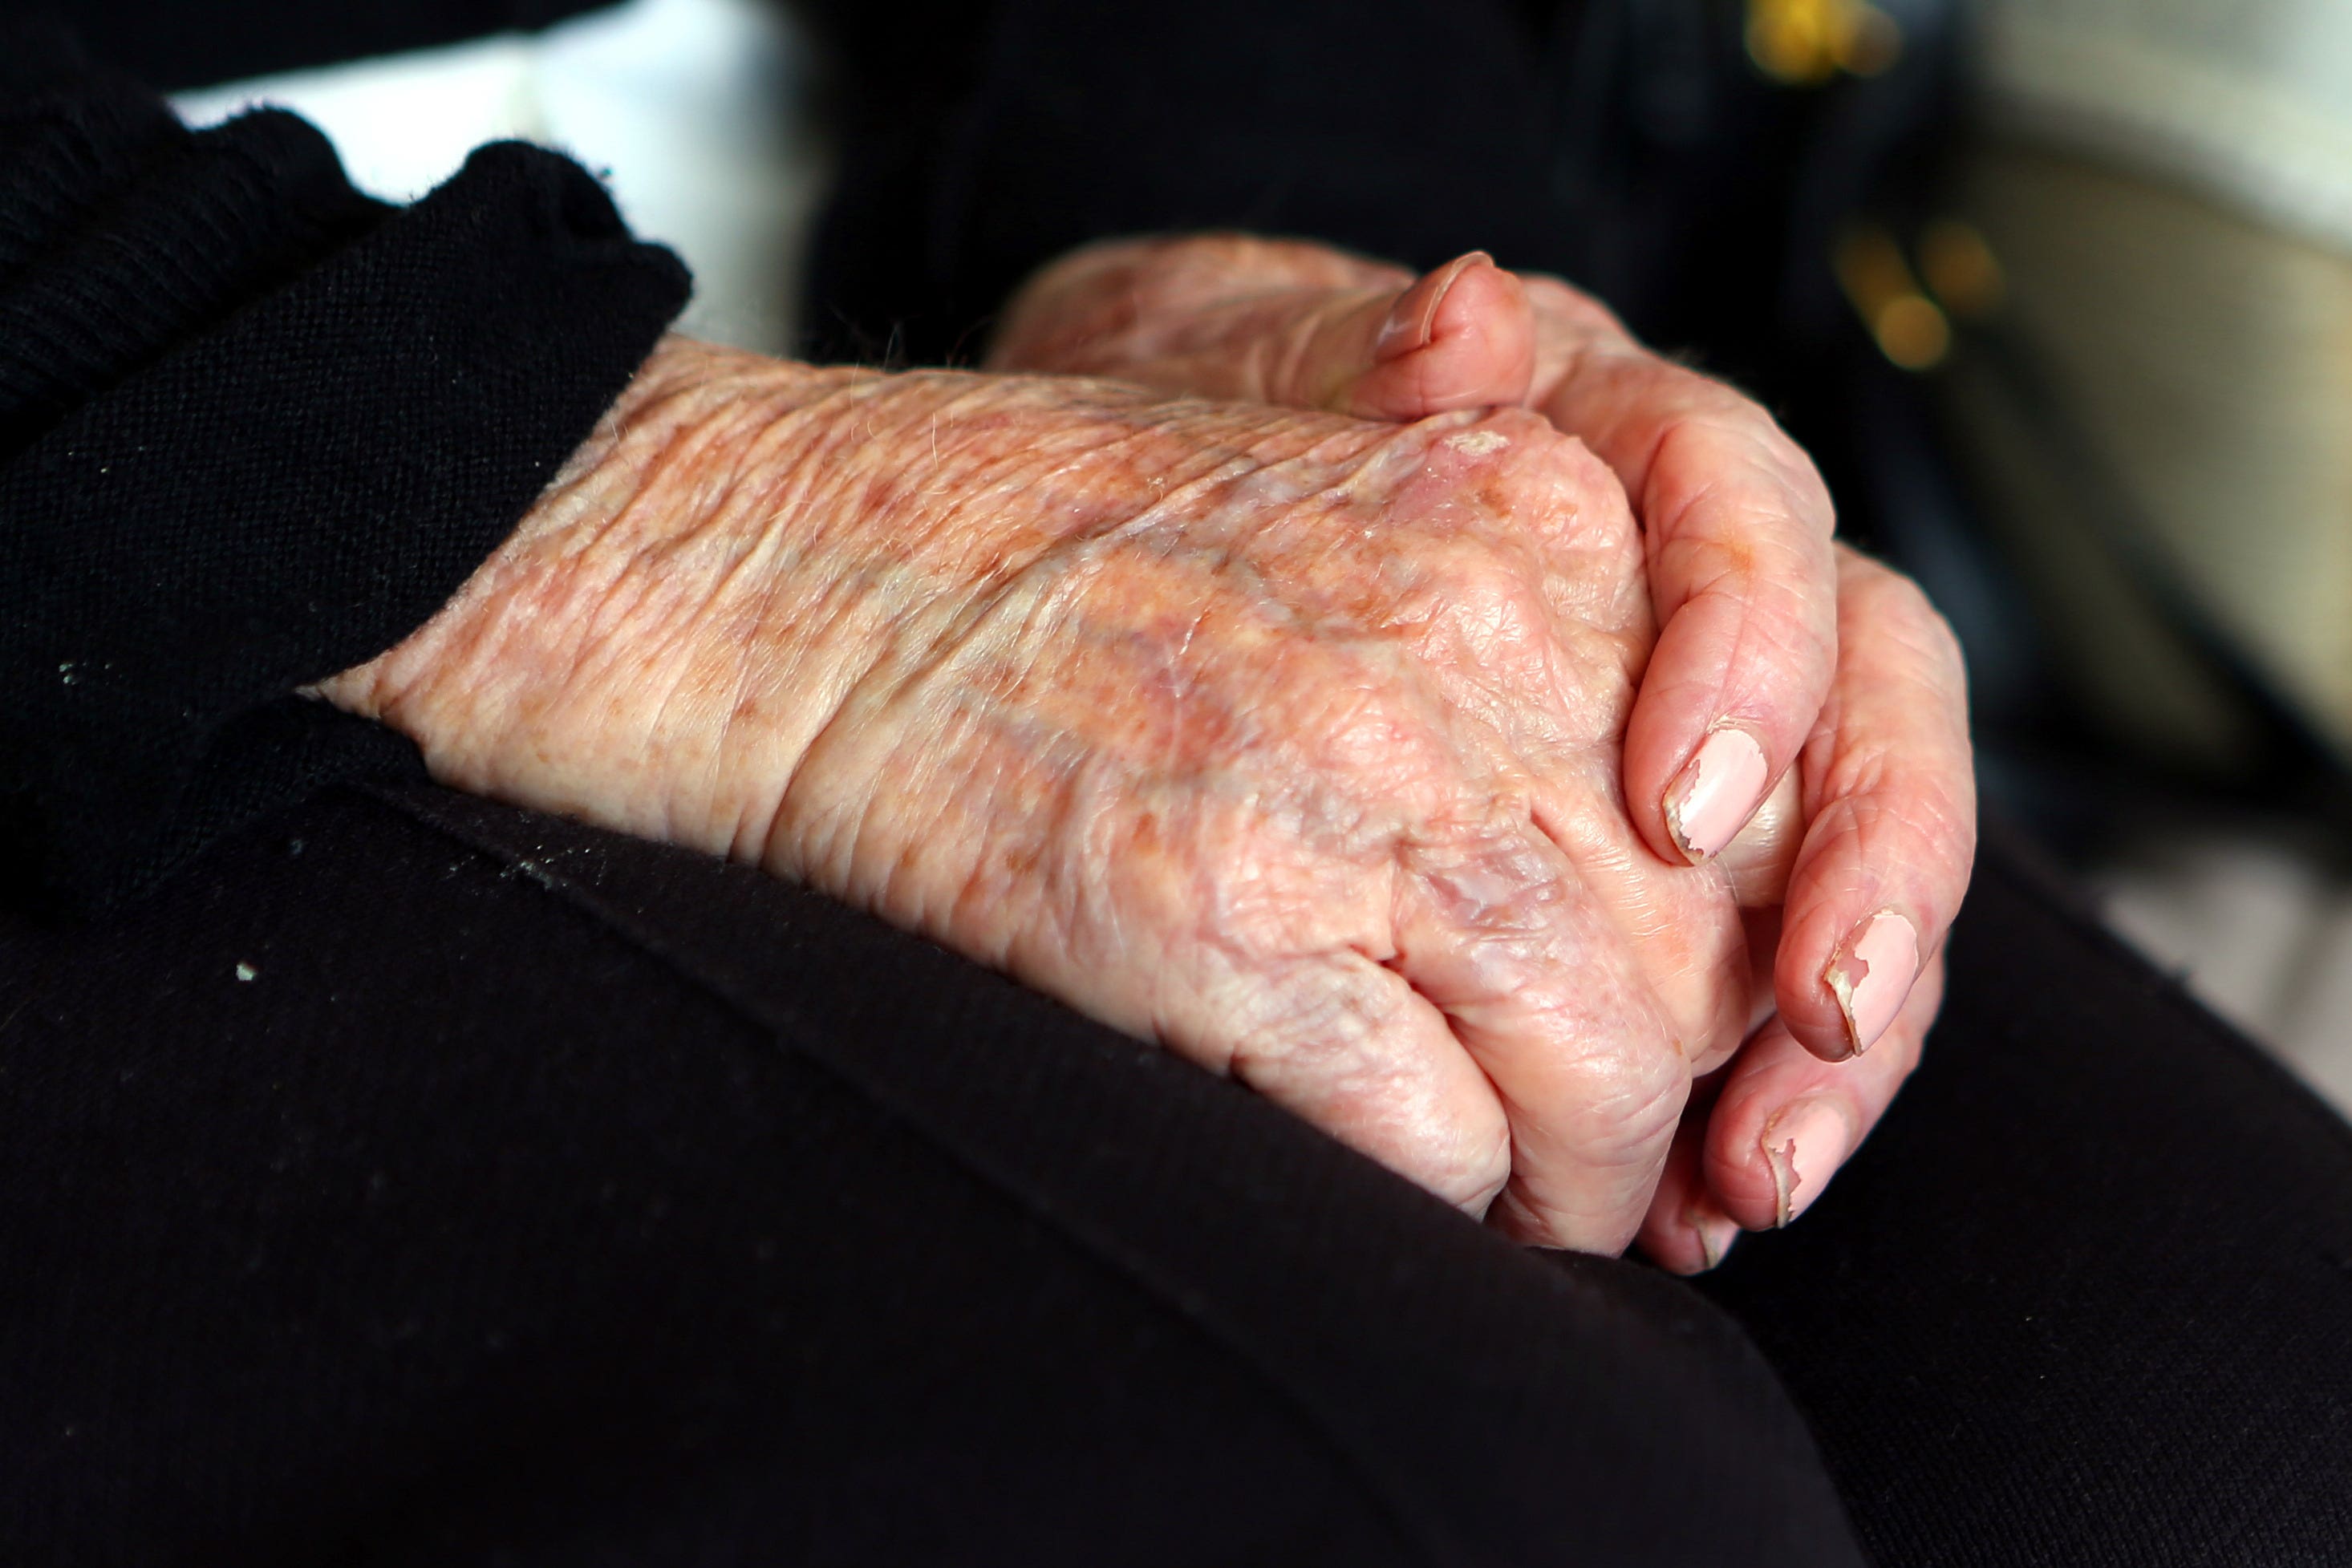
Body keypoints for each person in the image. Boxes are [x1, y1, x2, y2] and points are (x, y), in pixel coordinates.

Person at [2, 3, 2348, 1564]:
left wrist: (1226, 246)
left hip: (843, 207)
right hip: (128, 448)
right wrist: (658, 534)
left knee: (2246, 1430)